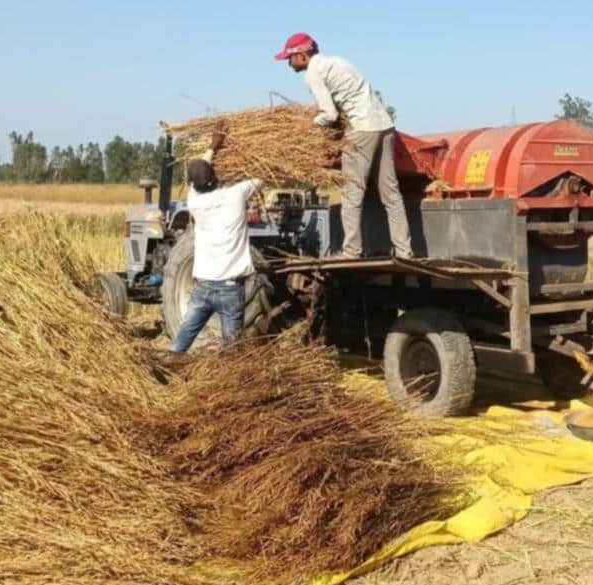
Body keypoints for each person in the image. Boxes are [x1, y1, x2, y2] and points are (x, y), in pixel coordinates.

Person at [274, 32, 413, 260]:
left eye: (289, 59)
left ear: (301, 55)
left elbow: (328, 114)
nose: (289, 65)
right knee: (391, 194)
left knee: (352, 193)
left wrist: (308, 125)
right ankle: (405, 251)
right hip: (385, 126)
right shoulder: (339, 62)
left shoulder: (313, 74)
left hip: (361, 129)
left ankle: (351, 251)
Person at [169, 129, 262, 353]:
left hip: (203, 287)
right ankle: (231, 382)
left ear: (194, 184)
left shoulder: (194, 203)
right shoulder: (236, 194)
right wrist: (244, 151)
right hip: (231, 289)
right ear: (214, 177)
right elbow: (261, 175)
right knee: (232, 349)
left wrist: (211, 147)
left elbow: (196, 178)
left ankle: (168, 366)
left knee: (183, 338)